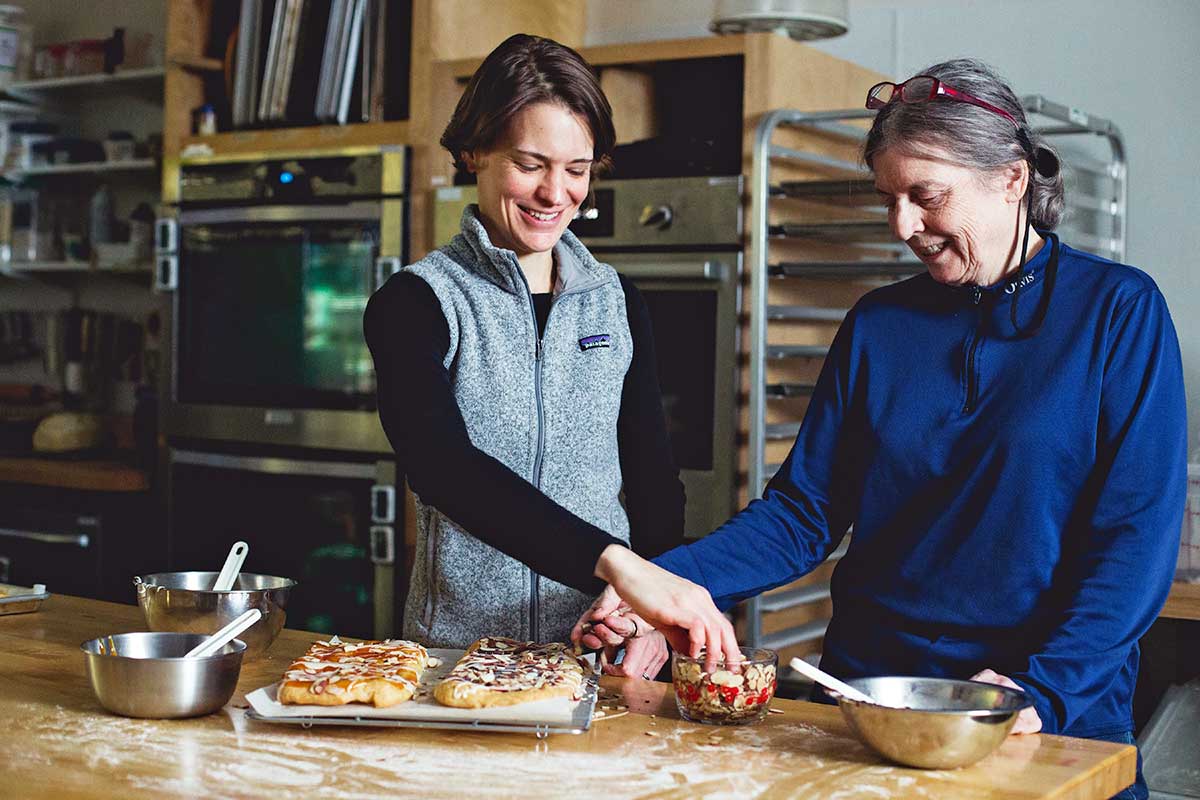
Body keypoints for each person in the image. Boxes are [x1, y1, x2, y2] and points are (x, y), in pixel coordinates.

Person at [574, 59, 1183, 800]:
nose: (904, 227)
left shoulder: (1119, 314)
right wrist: (663, 587)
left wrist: (1042, 690)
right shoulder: (879, 324)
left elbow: (1134, 544)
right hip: (870, 704)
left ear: (1013, 179)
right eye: (889, 200)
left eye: (926, 196)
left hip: (1046, 713)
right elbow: (801, 514)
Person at [363, 33, 685, 680]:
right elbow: (445, 469)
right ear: (474, 151)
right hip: (458, 659)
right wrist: (613, 561)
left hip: (600, 657)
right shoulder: (418, 302)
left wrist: (649, 605)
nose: (554, 193)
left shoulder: (617, 302)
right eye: (530, 163)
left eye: (577, 168)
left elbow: (653, 479)